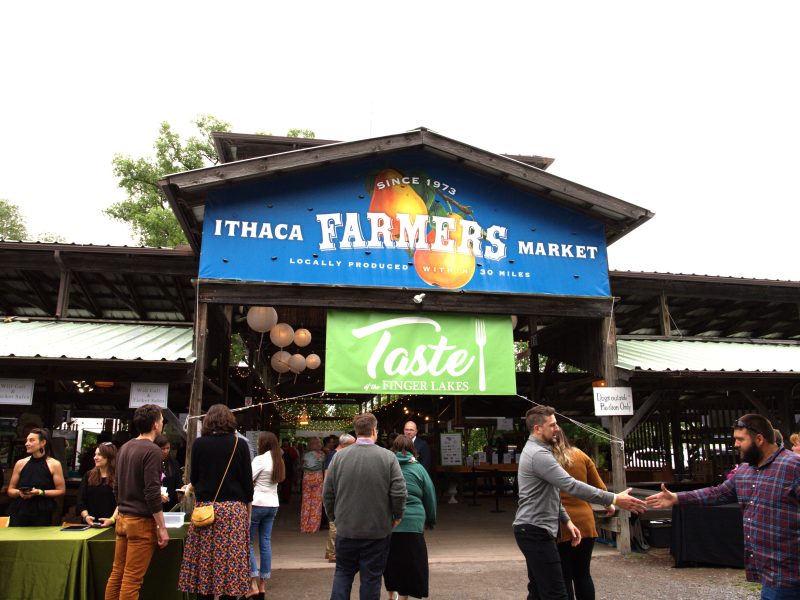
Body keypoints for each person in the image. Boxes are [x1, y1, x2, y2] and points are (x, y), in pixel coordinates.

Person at [647, 413, 800, 599]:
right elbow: (717, 493)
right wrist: (677, 498)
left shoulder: (793, 466)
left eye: (740, 439)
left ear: (759, 439)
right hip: (769, 573)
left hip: (791, 572)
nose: (735, 444)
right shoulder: (745, 470)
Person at [513, 406, 645, 600]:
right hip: (535, 531)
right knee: (557, 594)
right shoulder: (538, 455)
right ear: (537, 429)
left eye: (556, 424)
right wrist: (614, 498)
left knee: (538, 592)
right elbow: (571, 485)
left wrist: (566, 521)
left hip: (533, 529)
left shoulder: (540, 451)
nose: (557, 428)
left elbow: (551, 494)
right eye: (552, 425)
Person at [323, 413, 407, 600]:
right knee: (371, 578)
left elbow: (328, 492)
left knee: (343, 573)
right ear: (374, 431)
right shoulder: (388, 457)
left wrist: (334, 517)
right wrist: (397, 515)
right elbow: (399, 492)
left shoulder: (339, 457)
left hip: (346, 528)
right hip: (377, 530)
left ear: (356, 432)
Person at [179, 404, 254, 600]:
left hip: (206, 510)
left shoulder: (199, 444)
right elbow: (247, 483)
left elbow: (194, 479)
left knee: (204, 562)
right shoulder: (239, 444)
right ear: (230, 421)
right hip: (233, 512)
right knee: (230, 565)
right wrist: (248, 511)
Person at [105, 404, 169, 600]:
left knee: (117, 574)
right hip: (141, 522)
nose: (162, 423)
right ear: (155, 425)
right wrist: (162, 527)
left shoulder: (125, 447)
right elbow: (152, 493)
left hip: (123, 518)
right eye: (161, 420)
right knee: (132, 580)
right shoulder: (153, 451)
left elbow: (116, 487)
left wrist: (124, 506)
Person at [552, 432, 614, 600]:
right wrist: (609, 504)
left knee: (564, 575)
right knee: (583, 574)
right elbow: (600, 488)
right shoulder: (581, 455)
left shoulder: (546, 459)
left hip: (561, 523)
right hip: (585, 521)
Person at [384, 435, 437, 600]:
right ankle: (404, 596)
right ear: (413, 450)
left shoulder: (386, 467)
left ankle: (391, 594)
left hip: (390, 521)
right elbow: (430, 496)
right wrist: (431, 519)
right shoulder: (419, 469)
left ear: (393, 449)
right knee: (411, 561)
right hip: (414, 521)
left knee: (390, 560)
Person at [248, 431, 286, 599]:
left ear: (264, 444)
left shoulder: (260, 459)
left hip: (257, 503)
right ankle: (263, 584)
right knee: (265, 542)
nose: (257, 444)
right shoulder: (279, 460)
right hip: (273, 504)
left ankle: (253, 583)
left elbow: (247, 479)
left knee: (247, 542)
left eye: (259, 441)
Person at [7, 428, 66, 526]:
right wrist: (19, 492)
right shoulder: (20, 463)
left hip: (42, 510)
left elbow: (61, 491)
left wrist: (39, 492)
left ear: (43, 443)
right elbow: (10, 490)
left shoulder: (54, 464)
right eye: (27, 440)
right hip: (20, 509)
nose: (27, 443)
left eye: (31, 440)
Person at [324, 433, 356, 563]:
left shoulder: (341, 455)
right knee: (335, 523)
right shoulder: (334, 456)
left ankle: (329, 551)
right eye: (353, 445)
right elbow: (327, 476)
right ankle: (332, 553)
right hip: (335, 493)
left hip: (340, 492)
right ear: (345, 445)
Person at [77, 442, 118, 526]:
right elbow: (80, 500)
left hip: (113, 525)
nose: (95, 457)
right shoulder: (88, 475)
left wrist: (112, 519)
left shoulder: (119, 477)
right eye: (95, 454)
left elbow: (122, 502)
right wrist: (86, 516)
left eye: (99, 454)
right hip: (90, 524)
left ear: (109, 457)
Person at [300, 436, 325, 533]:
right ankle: (314, 527)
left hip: (307, 477)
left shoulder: (306, 454)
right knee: (317, 502)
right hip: (318, 477)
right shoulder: (322, 454)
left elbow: (302, 465)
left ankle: (304, 526)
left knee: (306, 502)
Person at [155, 434, 182, 512]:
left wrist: (182, 489)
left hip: (172, 505)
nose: (166, 451)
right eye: (163, 449)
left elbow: (178, 483)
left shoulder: (174, 463)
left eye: (168, 448)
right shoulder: (152, 464)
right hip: (156, 505)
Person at [279, 438, 298, 504]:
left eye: (286, 442)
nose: (285, 443)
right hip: (281, 469)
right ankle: (282, 498)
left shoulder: (291, 449)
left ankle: (287, 499)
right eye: (284, 442)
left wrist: (295, 468)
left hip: (289, 469)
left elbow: (296, 459)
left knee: (288, 485)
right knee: (282, 485)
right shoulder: (280, 449)